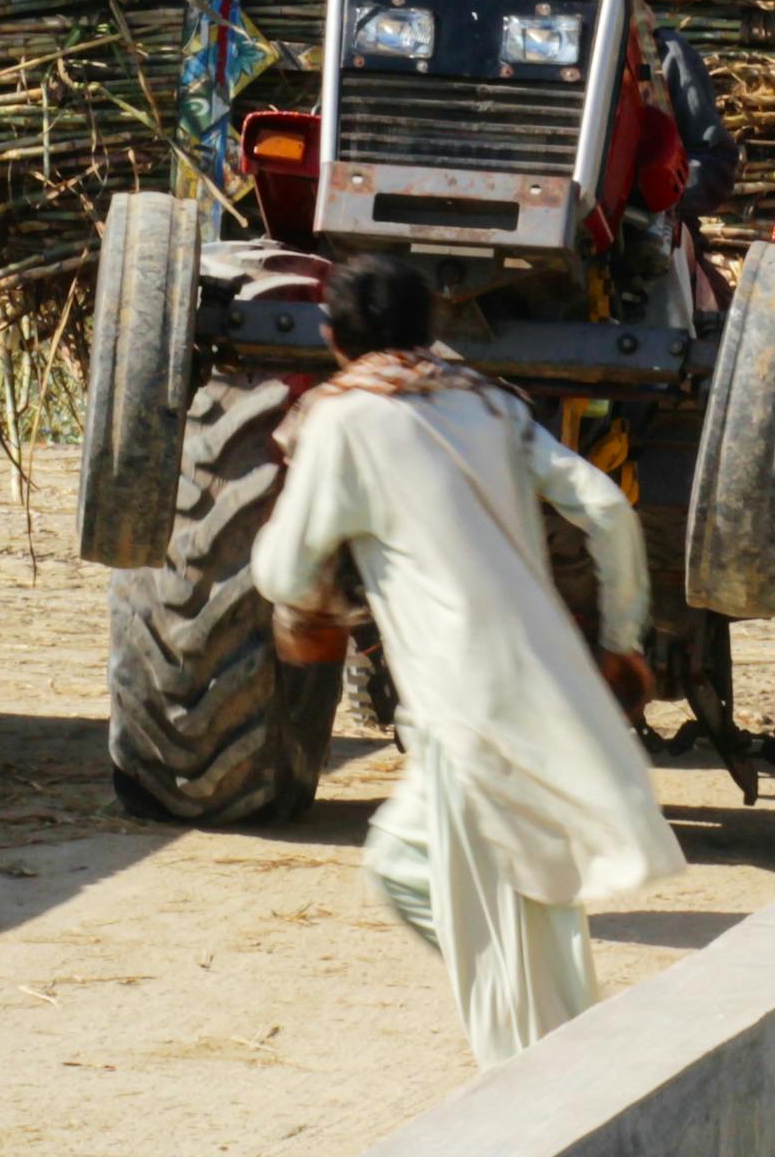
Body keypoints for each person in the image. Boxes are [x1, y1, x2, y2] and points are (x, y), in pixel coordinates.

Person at [254, 251, 685, 1067]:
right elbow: (603, 507)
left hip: (464, 706)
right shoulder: (490, 403)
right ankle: (567, 1073)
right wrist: (621, 641)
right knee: (453, 888)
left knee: (493, 938)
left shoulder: (343, 416)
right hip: (547, 689)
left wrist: (313, 596)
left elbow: (283, 569)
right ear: (429, 325)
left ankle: (538, 1100)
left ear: (332, 333)